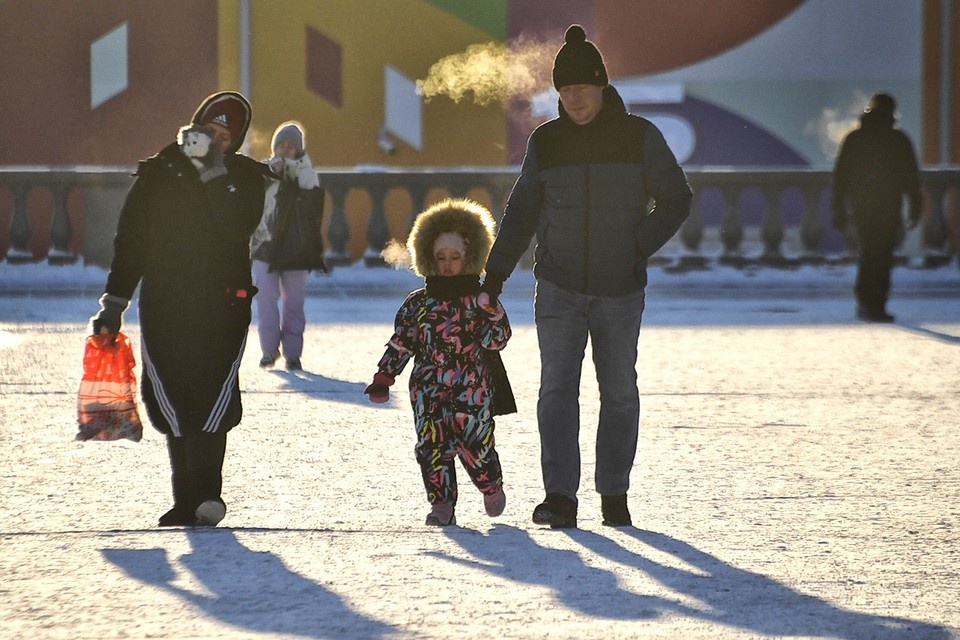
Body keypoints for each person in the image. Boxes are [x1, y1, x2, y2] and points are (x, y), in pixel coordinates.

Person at [481, 25, 692, 529]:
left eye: (582, 87)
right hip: (558, 287)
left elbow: (677, 199)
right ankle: (560, 498)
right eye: (564, 89)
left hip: (620, 290)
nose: (573, 98)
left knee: (618, 391)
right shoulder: (547, 142)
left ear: (601, 87)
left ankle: (613, 495)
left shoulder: (640, 136)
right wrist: (492, 279)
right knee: (556, 390)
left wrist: (636, 246)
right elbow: (520, 214)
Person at [90, 91, 270, 527]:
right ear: (194, 128)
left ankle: (208, 494)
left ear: (236, 142)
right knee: (169, 395)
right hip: (165, 303)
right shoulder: (158, 171)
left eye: (225, 137)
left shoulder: (245, 178)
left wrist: (212, 173)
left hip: (223, 303)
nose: (215, 141)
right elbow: (131, 241)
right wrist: (114, 304)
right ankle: (184, 498)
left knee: (212, 396)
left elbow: (235, 228)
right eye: (209, 131)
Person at [364, 198, 515, 526]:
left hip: (472, 384)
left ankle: (489, 484)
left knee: (475, 441)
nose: (447, 265)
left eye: (455, 257)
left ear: (470, 257)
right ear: (428, 259)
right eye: (441, 258)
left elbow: (497, 340)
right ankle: (441, 503)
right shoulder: (419, 303)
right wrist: (384, 376)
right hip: (428, 386)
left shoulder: (479, 300)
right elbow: (401, 341)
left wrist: (492, 312)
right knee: (432, 446)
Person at [831, 92, 922, 323]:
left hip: (862, 206)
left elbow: (840, 178)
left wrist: (839, 208)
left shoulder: (855, 138)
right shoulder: (899, 140)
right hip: (890, 206)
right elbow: (911, 179)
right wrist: (915, 207)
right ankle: (876, 303)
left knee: (869, 253)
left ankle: (865, 301)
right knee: (882, 256)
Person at [250, 121, 326, 371]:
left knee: (294, 303)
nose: (284, 150)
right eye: (280, 145)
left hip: (297, 248)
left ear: (298, 150)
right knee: (265, 301)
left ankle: (293, 354)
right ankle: (268, 351)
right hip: (265, 246)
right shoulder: (264, 172)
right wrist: (273, 173)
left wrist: (293, 174)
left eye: (290, 146)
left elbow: (313, 205)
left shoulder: (307, 172)